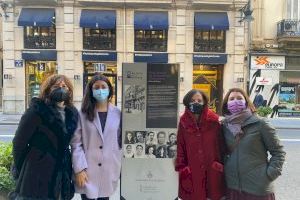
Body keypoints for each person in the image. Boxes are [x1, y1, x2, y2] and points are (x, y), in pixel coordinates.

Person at [12, 75, 78, 200]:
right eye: (56, 86)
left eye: (64, 86)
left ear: (69, 90)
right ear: (47, 90)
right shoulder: (36, 110)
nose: (61, 89)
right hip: (37, 171)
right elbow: (18, 143)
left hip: (62, 171)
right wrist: (22, 169)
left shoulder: (72, 113)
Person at [222, 88, 286, 200]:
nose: (235, 101)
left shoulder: (260, 123)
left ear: (246, 102)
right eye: (231, 99)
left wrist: (269, 175)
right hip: (232, 188)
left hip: (258, 189)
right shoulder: (224, 126)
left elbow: (278, 152)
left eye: (239, 98)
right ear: (227, 104)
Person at [71, 74, 122, 200]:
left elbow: (120, 142)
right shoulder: (82, 113)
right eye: (96, 87)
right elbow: (76, 144)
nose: (100, 90)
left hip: (108, 171)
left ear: (109, 89)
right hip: (87, 172)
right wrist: (79, 169)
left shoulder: (117, 113)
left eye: (103, 87)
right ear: (91, 90)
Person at [175, 89, 225, 200]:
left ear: (204, 102)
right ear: (187, 102)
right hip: (192, 172)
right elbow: (180, 147)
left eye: (199, 100)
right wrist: (183, 168)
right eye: (193, 100)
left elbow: (222, 145)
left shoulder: (214, 121)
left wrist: (221, 164)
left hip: (213, 170)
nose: (196, 103)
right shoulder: (183, 123)